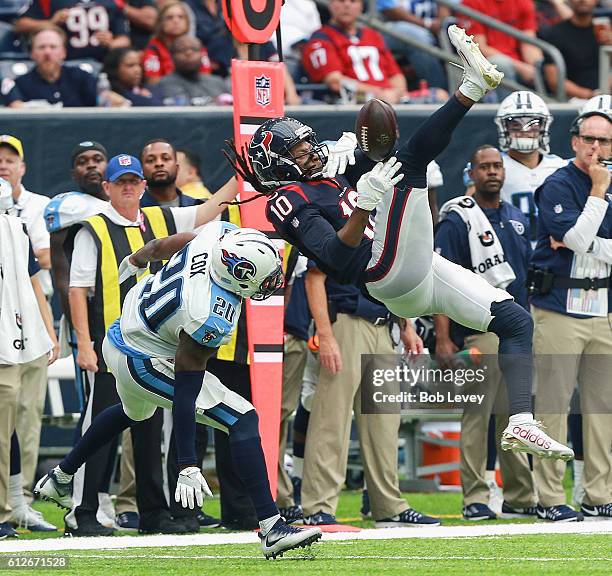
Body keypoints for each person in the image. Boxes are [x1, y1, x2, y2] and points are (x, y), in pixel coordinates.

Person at [227, 25, 573, 462]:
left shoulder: (330, 169)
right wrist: (363, 206)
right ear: (277, 163)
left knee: (515, 321)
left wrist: (363, 166)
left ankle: (521, 421)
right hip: (380, 274)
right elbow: (335, 258)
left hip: (416, 271)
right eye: (298, 152)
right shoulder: (287, 199)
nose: (311, 152)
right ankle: (470, 88)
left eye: (307, 143)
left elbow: (372, 150)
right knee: (408, 165)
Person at [35, 222, 322, 559]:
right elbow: (187, 390)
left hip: (124, 330)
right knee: (243, 418)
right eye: (263, 279)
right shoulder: (209, 313)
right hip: (143, 358)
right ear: (238, 274)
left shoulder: (217, 239)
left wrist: (136, 259)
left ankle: (60, 476)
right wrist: (188, 463)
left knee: (132, 412)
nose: (270, 284)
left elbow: (164, 245)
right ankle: (272, 527)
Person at [435, 145, 536, 522]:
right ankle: (475, 496)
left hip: (516, 331)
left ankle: (520, 495)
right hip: (479, 329)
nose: (493, 172)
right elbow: (441, 277)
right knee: (477, 416)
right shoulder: (458, 218)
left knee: (516, 415)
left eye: (497, 166)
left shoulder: (515, 216)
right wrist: (443, 337)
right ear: (471, 173)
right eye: (485, 167)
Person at [302, 262, 437, 527]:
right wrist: (326, 335)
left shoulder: (384, 222)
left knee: (384, 425)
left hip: (385, 325)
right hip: (346, 321)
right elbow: (314, 277)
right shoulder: (340, 219)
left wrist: (406, 326)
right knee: (332, 418)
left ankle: (388, 506)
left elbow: (394, 278)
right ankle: (318, 507)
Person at [529, 108, 612, 521]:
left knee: (602, 410)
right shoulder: (558, 183)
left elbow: (583, 243)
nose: (596, 147)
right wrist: (597, 192)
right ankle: (548, 498)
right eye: (589, 138)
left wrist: (591, 244)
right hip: (558, 307)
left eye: (604, 140)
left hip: (603, 310)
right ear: (575, 140)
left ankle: (598, 495)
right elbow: (575, 238)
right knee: (552, 407)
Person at [0, 181, 59, 539]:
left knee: (14, 420)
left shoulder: (16, 229)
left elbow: (31, 278)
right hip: (10, 336)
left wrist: (46, 329)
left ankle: (16, 504)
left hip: (17, 333)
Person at [302, 0, 408, 104]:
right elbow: (335, 81)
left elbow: (396, 75)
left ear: (361, 6)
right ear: (331, 4)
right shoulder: (320, 38)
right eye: (341, 1)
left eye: (353, 1)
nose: (347, 5)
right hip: (354, 103)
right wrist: (377, 94)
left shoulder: (373, 35)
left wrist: (397, 93)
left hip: (388, 101)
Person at [495, 90, 567, 242]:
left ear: (543, 126)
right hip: (511, 250)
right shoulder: (494, 166)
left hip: (552, 253)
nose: (524, 131)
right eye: (515, 125)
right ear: (504, 128)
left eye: (533, 125)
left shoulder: (560, 167)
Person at [461, 0, 543, 99]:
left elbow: (528, 42)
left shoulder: (523, 2)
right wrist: (520, 67)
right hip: (486, 63)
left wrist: (537, 64)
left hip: (519, 63)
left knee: (544, 64)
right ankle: (509, 109)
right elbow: (479, 49)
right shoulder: (472, 2)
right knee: (501, 64)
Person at [1, 27, 98, 108]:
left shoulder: (82, 78)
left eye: (53, 47)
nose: (47, 52)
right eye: (41, 47)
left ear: (63, 52)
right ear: (32, 53)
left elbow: (102, 101)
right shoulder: (20, 84)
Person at [14, 0, 130, 63]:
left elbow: (125, 40)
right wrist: (51, 22)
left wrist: (111, 43)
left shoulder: (112, 2)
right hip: (64, 64)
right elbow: (20, 25)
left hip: (103, 63)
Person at [538, 0, 611, 100]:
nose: (583, 0)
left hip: (606, 97)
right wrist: (590, 95)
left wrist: (609, 47)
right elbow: (554, 80)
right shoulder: (554, 34)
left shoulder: (604, 32)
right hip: (573, 101)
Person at [377, 0, 450, 90]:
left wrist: (441, 22)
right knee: (418, 37)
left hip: (432, 30)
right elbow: (389, 9)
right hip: (388, 27)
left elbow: (446, 7)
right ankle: (438, 91)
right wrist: (426, 24)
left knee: (453, 30)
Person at [142, 1, 212, 85]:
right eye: (169, 17)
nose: (176, 21)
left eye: (181, 17)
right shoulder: (153, 49)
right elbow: (153, 83)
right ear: (161, 23)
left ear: (187, 22)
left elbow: (206, 78)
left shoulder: (196, 45)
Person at [153, 35, 230, 106]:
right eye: (181, 50)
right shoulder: (165, 83)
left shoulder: (217, 82)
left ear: (202, 54)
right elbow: (184, 112)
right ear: (172, 56)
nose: (189, 53)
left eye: (194, 49)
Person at [140, 139, 203, 207]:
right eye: (150, 160)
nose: (159, 163)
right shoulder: (132, 209)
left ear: (177, 168)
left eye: (166, 158)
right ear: (141, 170)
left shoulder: (197, 206)